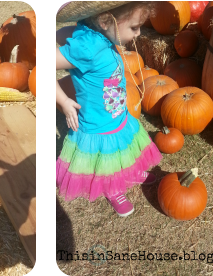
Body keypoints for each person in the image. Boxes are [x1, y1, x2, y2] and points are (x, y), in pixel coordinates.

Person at [55, 2, 161, 217]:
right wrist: (64, 102)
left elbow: (64, 33)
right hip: (98, 125)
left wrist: (66, 35)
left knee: (123, 148)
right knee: (107, 159)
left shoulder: (99, 35)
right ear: (105, 21)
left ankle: (128, 173)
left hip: (116, 114)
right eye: (134, 27)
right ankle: (113, 188)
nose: (139, 33)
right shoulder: (86, 47)